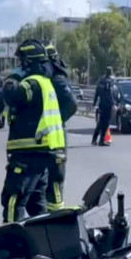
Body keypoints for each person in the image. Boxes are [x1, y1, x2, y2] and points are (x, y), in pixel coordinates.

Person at [0, 39, 65, 223]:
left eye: (21, 62)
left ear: (28, 61)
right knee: (37, 202)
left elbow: (12, 96)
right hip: (44, 151)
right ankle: (44, 237)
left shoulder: (32, 83)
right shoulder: (46, 82)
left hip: (28, 152)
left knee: (14, 198)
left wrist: (12, 79)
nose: (20, 66)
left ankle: (10, 243)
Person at [42, 40, 77, 211]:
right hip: (41, 135)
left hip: (53, 135)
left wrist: (56, 119)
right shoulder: (41, 78)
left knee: (55, 178)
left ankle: (54, 216)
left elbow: (71, 103)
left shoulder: (55, 78)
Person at [92, 67, 117, 146]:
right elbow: (110, 94)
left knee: (100, 122)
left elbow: (96, 93)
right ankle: (101, 141)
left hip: (101, 104)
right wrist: (113, 104)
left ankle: (94, 139)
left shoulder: (100, 81)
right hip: (108, 104)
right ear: (111, 73)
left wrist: (94, 103)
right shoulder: (109, 82)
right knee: (106, 123)